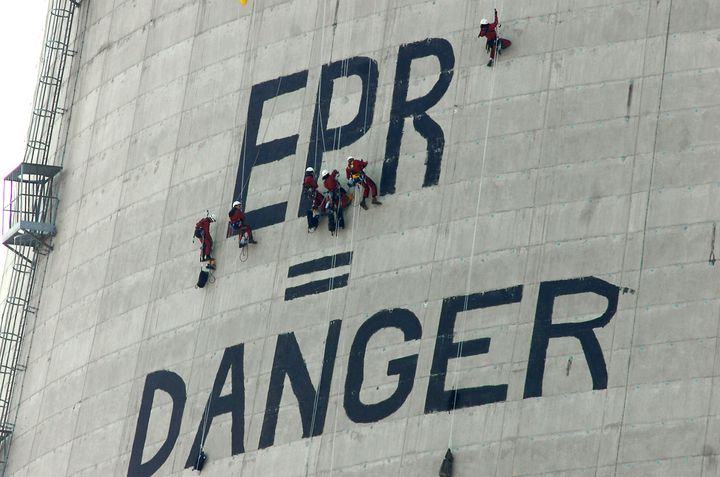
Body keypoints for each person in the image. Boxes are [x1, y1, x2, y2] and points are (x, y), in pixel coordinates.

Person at [303, 167, 325, 232]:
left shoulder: (306, 179)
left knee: (316, 201)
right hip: (313, 193)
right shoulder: (309, 178)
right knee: (322, 199)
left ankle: (317, 210)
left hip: (310, 194)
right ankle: (323, 210)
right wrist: (314, 180)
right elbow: (315, 185)